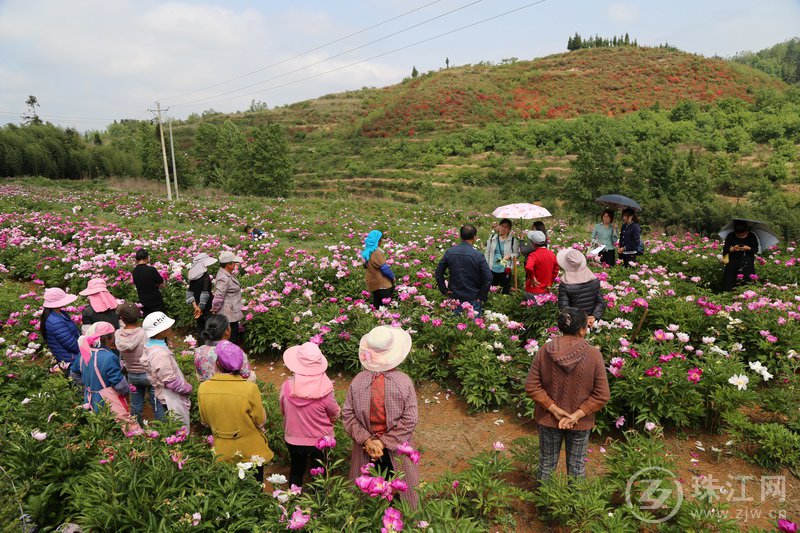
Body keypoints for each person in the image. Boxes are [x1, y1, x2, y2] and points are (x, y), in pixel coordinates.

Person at [525, 307, 610, 480]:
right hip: (581, 421)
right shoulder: (594, 355)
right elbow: (602, 394)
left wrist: (554, 409)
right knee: (577, 466)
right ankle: (574, 506)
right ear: (581, 329)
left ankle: (544, 505)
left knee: (547, 464)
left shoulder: (545, 351)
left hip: (549, 419)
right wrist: (577, 415)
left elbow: (532, 386)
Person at [343, 326, 419, 507]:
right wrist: (383, 442)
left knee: (367, 489)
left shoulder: (358, 381)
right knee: (401, 487)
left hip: (366, 448)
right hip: (396, 448)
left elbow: (347, 414)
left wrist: (368, 440)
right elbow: (410, 419)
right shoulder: (403, 382)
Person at [198, 340, 274, 482]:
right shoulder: (249, 388)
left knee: (230, 487)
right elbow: (260, 420)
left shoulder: (204, 388)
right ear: (240, 365)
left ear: (218, 364)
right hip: (250, 451)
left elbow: (205, 421)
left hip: (222, 451)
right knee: (255, 487)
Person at [280, 342, 341, 488]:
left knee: (296, 470)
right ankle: (321, 504)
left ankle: (293, 501)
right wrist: (333, 420)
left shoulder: (287, 387)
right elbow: (334, 412)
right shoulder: (325, 390)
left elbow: (283, 410)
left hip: (294, 439)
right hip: (320, 441)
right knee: (320, 472)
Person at [69, 321, 140, 434]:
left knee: (96, 429)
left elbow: (73, 373)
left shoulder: (84, 353)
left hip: (89, 398)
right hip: (107, 402)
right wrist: (126, 392)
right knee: (113, 428)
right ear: (107, 339)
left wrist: (89, 384)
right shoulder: (109, 357)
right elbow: (120, 385)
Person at [115, 302, 162, 425]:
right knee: (157, 405)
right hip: (148, 373)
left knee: (135, 407)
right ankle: (163, 432)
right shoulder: (145, 333)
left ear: (122, 319)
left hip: (132, 374)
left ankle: (136, 432)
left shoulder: (118, 335)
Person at [143, 312, 192, 427]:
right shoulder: (160, 354)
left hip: (163, 394)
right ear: (160, 331)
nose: (170, 327)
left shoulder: (150, 345)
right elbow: (170, 382)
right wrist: (188, 388)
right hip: (169, 398)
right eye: (167, 326)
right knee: (178, 427)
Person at [434, 224, 493, 315]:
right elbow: (488, 277)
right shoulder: (478, 255)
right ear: (474, 237)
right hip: (473, 297)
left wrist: (444, 290)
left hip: (455, 296)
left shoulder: (450, 252)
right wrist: (482, 296)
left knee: (454, 325)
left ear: (460, 236)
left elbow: (438, 272)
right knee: (472, 327)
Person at [194, 314, 254, 382]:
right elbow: (246, 374)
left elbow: (200, 376)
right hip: (233, 390)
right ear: (227, 331)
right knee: (252, 375)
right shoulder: (235, 351)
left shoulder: (199, 351)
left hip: (208, 389)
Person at [556, 249, 606, 327]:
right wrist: (593, 316)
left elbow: (564, 309)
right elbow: (601, 302)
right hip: (591, 322)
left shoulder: (565, 284)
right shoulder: (593, 280)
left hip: (575, 325)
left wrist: (580, 322)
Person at [41, 288, 81, 369]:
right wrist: (87, 351)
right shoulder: (55, 321)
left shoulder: (60, 313)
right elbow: (71, 344)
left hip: (72, 354)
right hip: (71, 359)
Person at [212, 250, 244, 346]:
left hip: (231, 312)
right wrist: (214, 310)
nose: (235, 264)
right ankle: (229, 358)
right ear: (228, 264)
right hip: (228, 314)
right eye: (234, 263)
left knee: (232, 337)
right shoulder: (224, 277)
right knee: (231, 339)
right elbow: (219, 296)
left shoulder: (227, 274)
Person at [483, 218, 520, 295]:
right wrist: (486, 266)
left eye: (506, 227)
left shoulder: (513, 240)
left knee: (505, 290)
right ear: (499, 227)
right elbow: (487, 252)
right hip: (492, 268)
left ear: (509, 229)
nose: (503, 228)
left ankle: (503, 304)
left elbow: (517, 253)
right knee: (491, 289)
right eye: (502, 226)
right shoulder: (492, 238)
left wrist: (510, 256)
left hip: (505, 269)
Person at [186, 253, 217, 339]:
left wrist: (196, 307)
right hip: (206, 307)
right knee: (209, 329)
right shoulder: (205, 277)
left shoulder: (193, 277)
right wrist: (200, 308)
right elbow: (205, 293)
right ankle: (209, 349)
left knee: (200, 328)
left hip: (196, 306)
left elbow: (189, 293)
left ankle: (200, 348)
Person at [722, 220, 759, 292]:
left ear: (746, 230)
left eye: (743, 234)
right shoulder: (731, 236)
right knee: (730, 284)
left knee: (747, 284)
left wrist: (748, 248)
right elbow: (726, 250)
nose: (741, 235)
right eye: (738, 234)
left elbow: (755, 249)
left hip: (747, 264)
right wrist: (733, 249)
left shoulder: (751, 236)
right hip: (732, 264)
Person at [362, 229, 395, 308]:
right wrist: (392, 277)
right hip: (383, 285)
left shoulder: (367, 252)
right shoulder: (376, 252)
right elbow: (384, 268)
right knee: (386, 307)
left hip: (374, 284)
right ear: (378, 241)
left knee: (377, 306)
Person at [524, 231, 559, 298]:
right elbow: (555, 271)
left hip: (533, 289)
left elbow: (528, 267)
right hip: (546, 289)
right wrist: (550, 283)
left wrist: (532, 278)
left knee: (532, 307)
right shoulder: (552, 254)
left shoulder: (533, 255)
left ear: (533, 243)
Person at [132, 248, 165, 317]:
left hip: (143, 301)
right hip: (155, 300)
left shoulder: (134, 271)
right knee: (160, 320)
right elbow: (161, 283)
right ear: (146, 257)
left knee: (149, 320)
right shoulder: (151, 269)